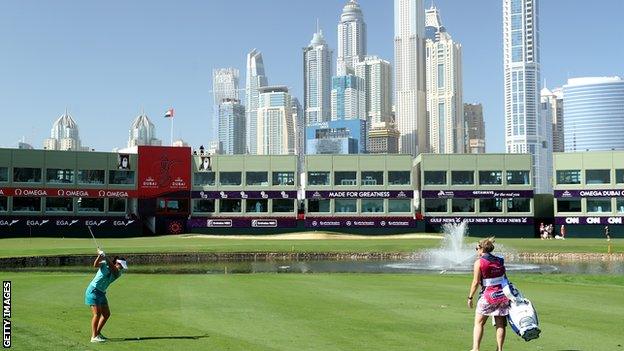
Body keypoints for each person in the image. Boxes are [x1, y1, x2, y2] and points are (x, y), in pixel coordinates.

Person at [468, 237, 510, 351]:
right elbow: (504, 278)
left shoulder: (479, 262)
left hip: (487, 296)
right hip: (502, 295)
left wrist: (470, 297)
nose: (476, 250)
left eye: (477, 248)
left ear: (481, 249)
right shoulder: (500, 260)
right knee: (500, 324)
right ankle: (499, 349)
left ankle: (475, 349)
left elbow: (476, 282)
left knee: (479, 323)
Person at [84, 250, 128, 343]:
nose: (122, 268)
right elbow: (95, 265)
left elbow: (113, 268)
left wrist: (105, 256)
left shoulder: (118, 273)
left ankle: (97, 333)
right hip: (93, 290)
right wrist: (100, 256)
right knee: (97, 314)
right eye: (121, 266)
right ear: (117, 263)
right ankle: (93, 337)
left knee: (106, 314)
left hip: (102, 293)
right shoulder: (105, 263)